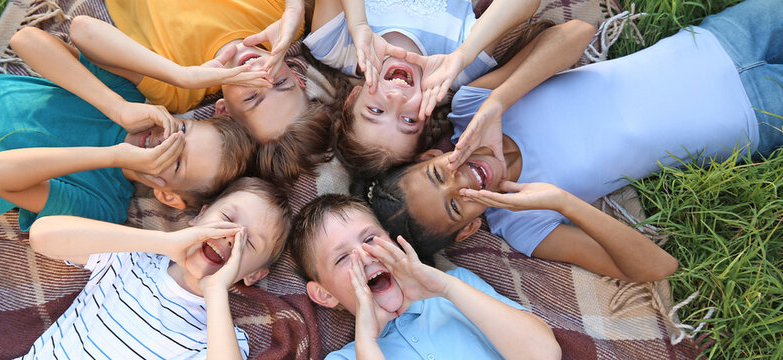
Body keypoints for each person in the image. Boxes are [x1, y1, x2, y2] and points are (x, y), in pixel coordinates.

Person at [359, 0, 781, 282]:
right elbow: (659, 267)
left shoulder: (472, 105)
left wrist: (500, 102)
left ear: (433, 154)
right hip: (753, 115)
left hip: (716, 41)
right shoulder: (524, 223)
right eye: (456, 205)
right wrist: (561, 202)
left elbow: (577, 33)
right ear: (469, 228)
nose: (462, 182)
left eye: (439, 174)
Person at [0, 57, 254, 229]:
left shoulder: (101, 207)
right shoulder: (125, 101)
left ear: (169, 196)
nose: (164, 141)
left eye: (175, 161)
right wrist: (117, 108)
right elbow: (29, 40)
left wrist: (113, 155)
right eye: (181, 134)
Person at [49, 0, 334, 183]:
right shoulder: (283, 23)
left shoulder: (178, 91)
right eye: (280, 83)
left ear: (223, 110)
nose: (261, 75)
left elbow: (82, 30)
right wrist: (295, 9)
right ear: (297, 77)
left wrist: (181, 75)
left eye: (252, 96)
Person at [305, 0, 594, 177]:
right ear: (428, 116)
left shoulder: (337, 48)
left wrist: (358, 26)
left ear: (351, 99)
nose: (397, 98)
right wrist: (465, 53)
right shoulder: (456, 69)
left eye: (376, 110)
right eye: (408, 120)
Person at [20, 177, 292, 359]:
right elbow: (42, 235)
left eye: (249, 242)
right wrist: (165, 242)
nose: (231, 237)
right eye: (227, 219)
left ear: (253, 275)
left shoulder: (219, 337)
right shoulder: (131, 257)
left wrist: (216, 290)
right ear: (199, 216)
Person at [290, 194, 560, 359]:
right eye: (341, 258)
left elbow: (544, 354)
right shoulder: (350, 357)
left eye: (370, 239)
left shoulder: (458, 288)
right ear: (324, 294)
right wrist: (368, 342)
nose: (364, 256)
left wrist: (446, 287)